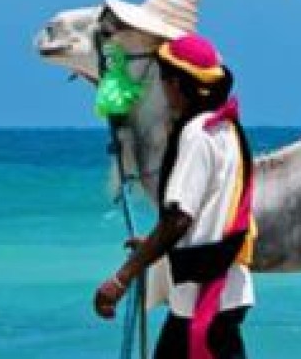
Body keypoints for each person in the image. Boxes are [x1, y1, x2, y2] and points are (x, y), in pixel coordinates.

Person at [92, 33, 256, 359]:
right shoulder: (227, 128)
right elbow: (207, 213)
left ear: (178, 85)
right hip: (227, 289)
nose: (162, 89)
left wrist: (122, 278)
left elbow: (179, 219)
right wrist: (155, 247)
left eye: (164, 79)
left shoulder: (196, 134)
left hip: (204, 296)